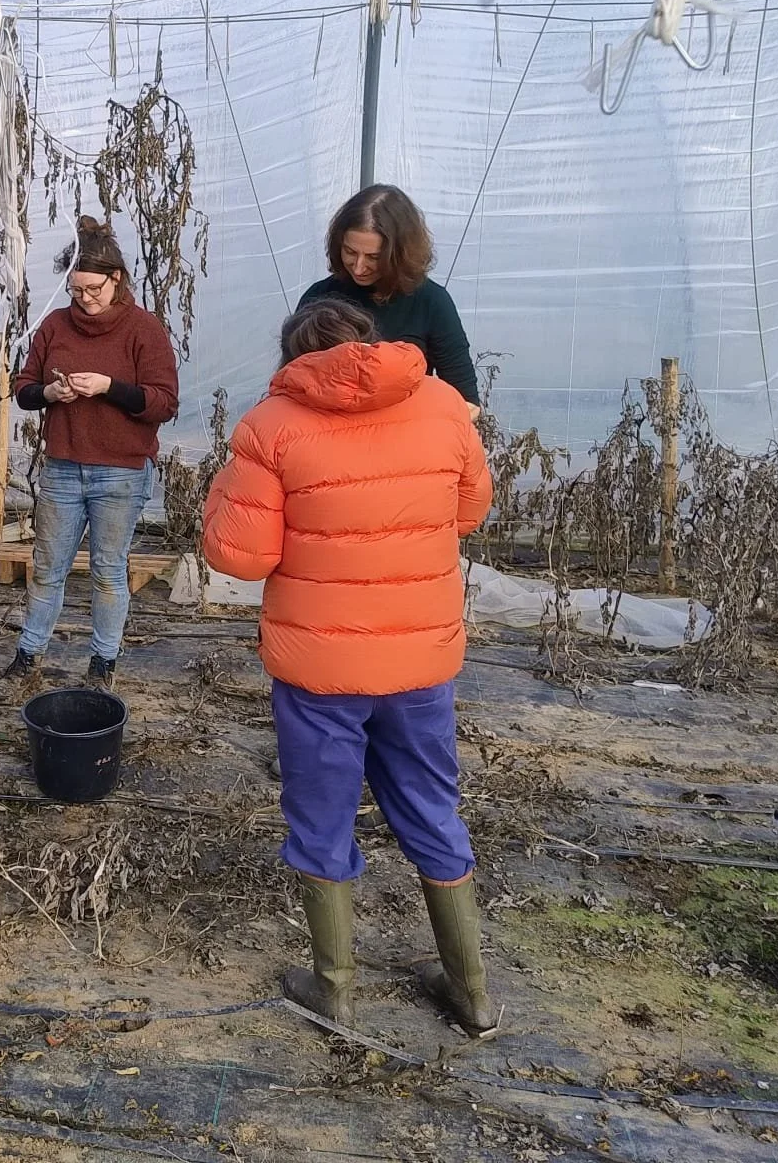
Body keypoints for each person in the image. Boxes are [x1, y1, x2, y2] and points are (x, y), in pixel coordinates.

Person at [201, 299, 497, 1035]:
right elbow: (469, 512)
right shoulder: (444, 406)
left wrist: (223, 492)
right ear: (369, 340)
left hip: (319, 666)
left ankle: (333, 988)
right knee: (432, 808)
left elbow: (241, 556)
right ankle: (473, 993)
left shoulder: (271, 426)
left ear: (295, 356)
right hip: (419, 659)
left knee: (322, 818)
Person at [0, 217, 178, 693]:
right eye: (75, 290)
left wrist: (108, 388)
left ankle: (103, 664)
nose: (85, 299)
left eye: (93, 289)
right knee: (46, 568)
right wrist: (51, 394)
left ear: (116, 279)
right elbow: (23, 389)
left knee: (107, 572)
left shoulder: (144, 330)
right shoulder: (56, 326)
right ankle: (28, 656)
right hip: (63, 466)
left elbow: (163, 402)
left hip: (121, 471)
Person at [299, 185, 480, 412]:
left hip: (408, 438)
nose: (359, 266)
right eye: (350, 252)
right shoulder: (319, 297)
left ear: (400, 254)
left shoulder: (431, 302)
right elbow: (290, 381)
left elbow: (467, 403)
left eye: (374, 257)